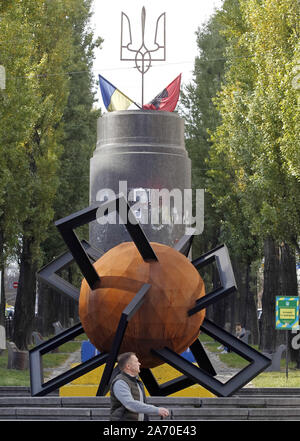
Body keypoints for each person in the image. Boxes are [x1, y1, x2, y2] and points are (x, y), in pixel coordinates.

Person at [110, 352, 170, 421]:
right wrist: (156, 410)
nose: (139, 364)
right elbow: (130, 404)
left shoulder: (137, 382)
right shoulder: (120, 382)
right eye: (136, 361)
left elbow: (141, 406)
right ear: (128, 366)